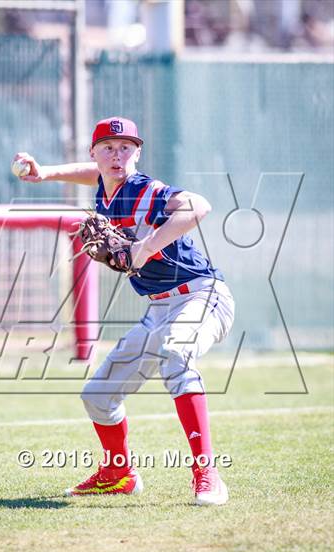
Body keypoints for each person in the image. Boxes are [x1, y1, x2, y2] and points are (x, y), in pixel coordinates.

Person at [13, 116, 235, 506]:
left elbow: (199, 206)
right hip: (158, 308)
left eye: (126, 148)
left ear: (138, 153)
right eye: (109, 148)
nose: (117, 156)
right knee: (97, 396)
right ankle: (118, 474)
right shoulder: (105, 184)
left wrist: (145, 246)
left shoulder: (145, 190)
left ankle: (207, 474)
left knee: (177, 353)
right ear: (95, 153)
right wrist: (44, 173)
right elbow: (94, 175)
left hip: (202, 296)